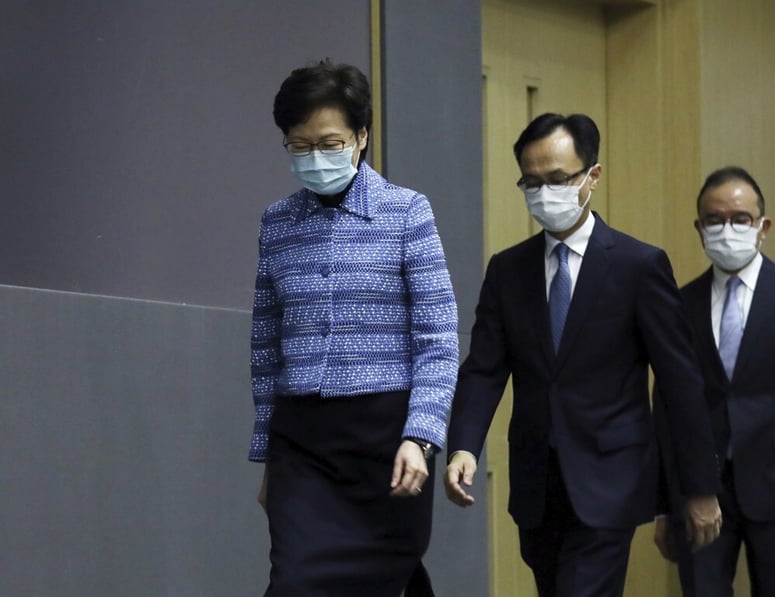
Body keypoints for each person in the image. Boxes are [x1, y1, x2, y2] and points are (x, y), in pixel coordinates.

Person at [444, 113, 721, 597]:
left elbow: (680, 382)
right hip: (536, 485)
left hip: (609, 480)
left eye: (556, 179)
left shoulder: (639, 266)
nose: (543, 193)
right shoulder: (508, 270)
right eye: (531, 182)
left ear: (592, 175)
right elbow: (485, 368)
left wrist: (699, 487)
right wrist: (464, 445)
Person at [247, 60, 459, 597]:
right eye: (300, 145)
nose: (316, 157)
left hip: (385, 446)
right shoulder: (277, 223)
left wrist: (422, 436)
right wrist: (267, 455)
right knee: (294, 584)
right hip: (302, 446)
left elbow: (437, 340)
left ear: (361, 136)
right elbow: (266, 347)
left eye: (330, 141)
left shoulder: (407, 212)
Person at [655, 167, 775, 597]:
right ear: (699, 229)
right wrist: (665, 506)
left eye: (740, 218)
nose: (728, 229)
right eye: (715, 220)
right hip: (701, 490)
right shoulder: (678, 304)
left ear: (763, 227)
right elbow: (665, 408)